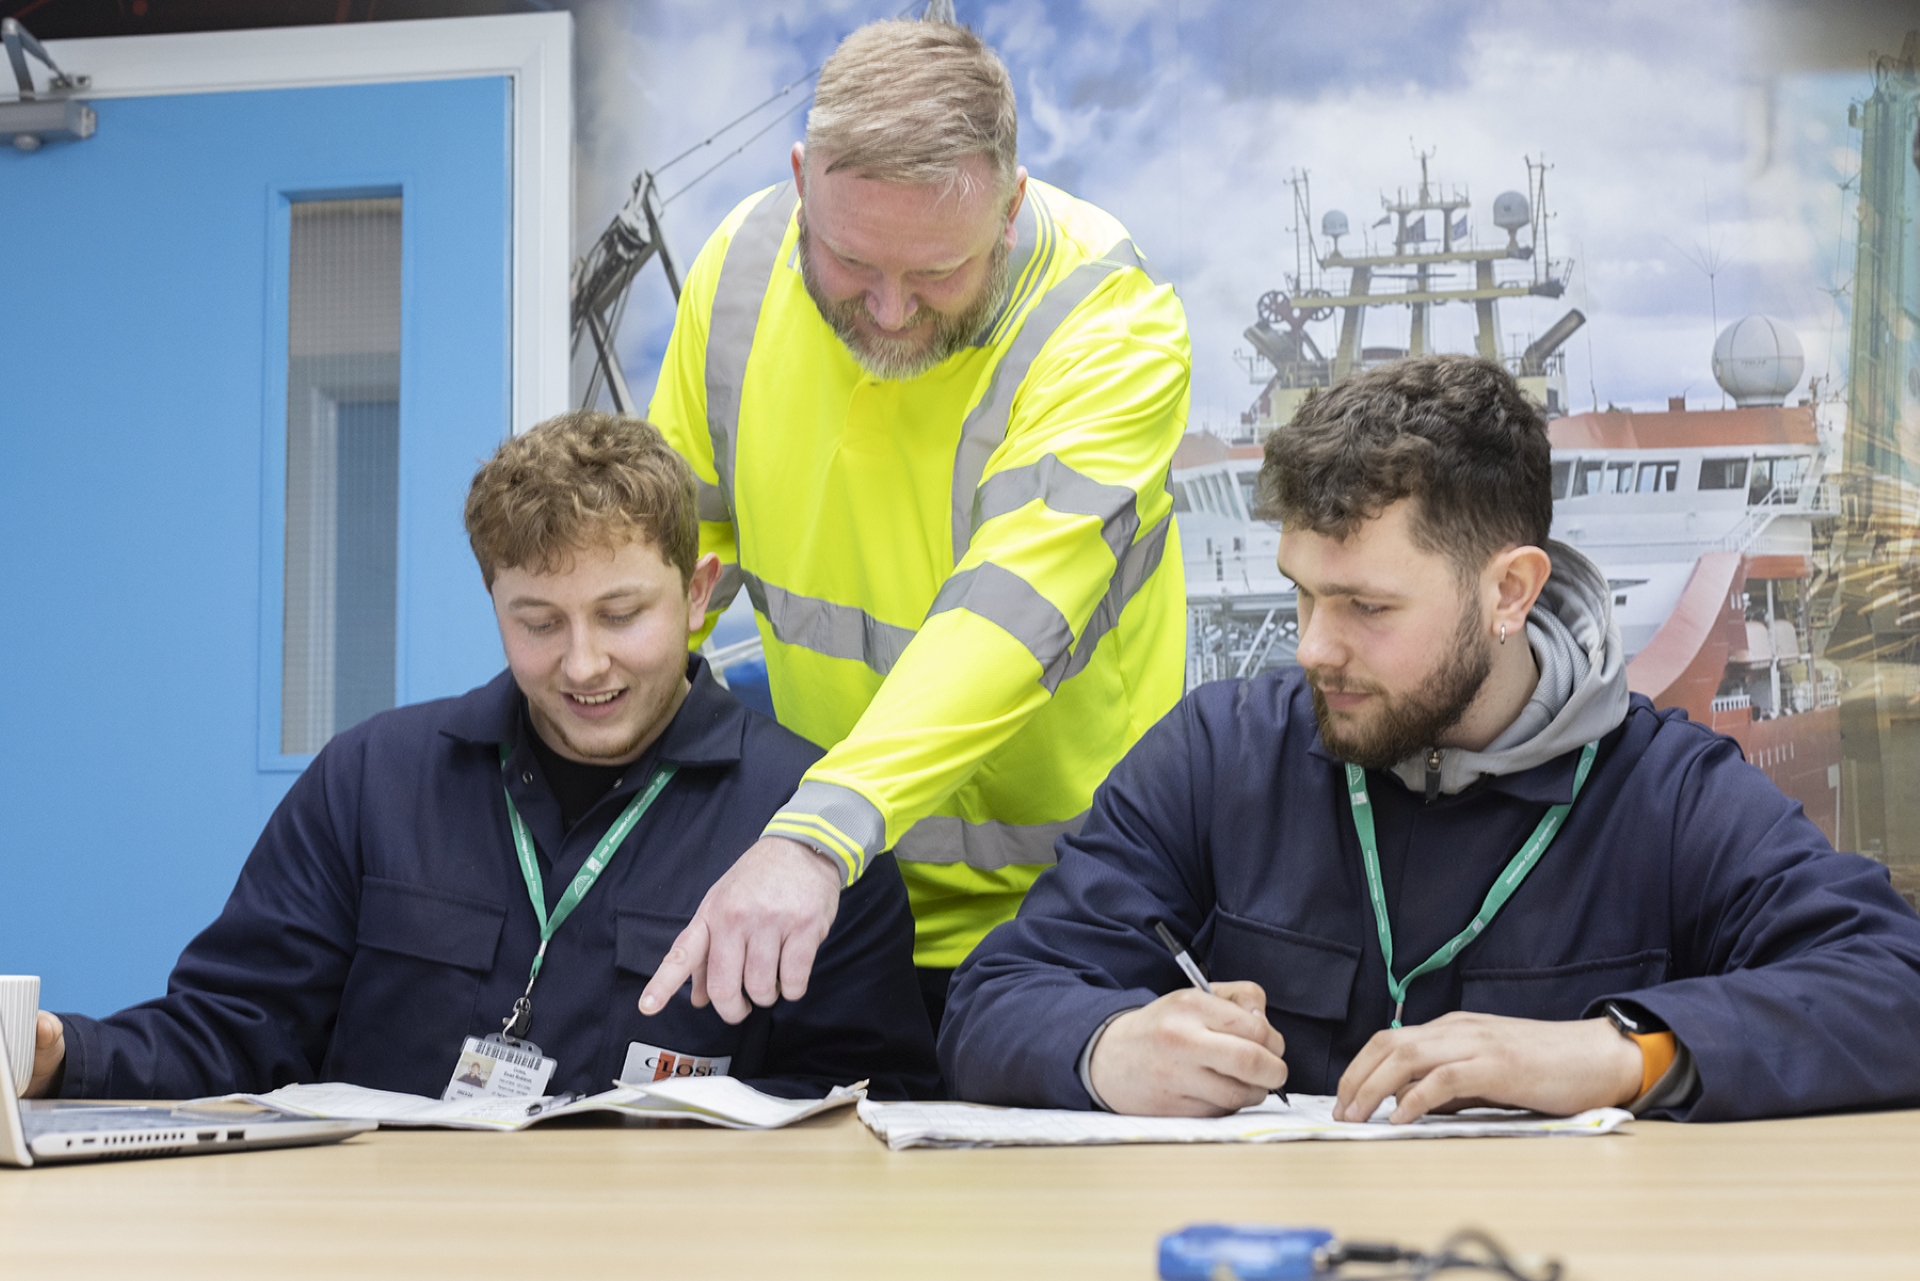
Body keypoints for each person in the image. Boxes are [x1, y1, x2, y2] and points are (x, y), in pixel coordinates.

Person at [939, 355, 1920, 1123]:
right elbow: (994, 1000)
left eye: (1366, 607)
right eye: (1302, 594)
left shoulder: (1668, 795)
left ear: (1509, 592)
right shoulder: (1217, 756)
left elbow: (1892, 987)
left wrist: (1622, 1053)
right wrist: (1107, 1048)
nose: (1313, 648)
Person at [24, 412, 938, 1102]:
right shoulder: (372, 780)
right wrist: (60, 1052)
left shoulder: (803, 828)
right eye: (538, 622)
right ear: (495, 602)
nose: (583, 663)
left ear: (699, 594)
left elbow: (870, 1103)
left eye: (622, 614)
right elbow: (232, 1031)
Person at [643, 17, 1189, 1033]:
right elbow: (666, 565)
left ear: (1010, 206)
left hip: (1073, 917)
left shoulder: (1110, 324)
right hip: (833, 907)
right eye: (851, 260)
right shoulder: (741, 274)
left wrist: (817, 832)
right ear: (801, 184)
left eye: (938, 272)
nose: (891, 312)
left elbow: (1010, 615)